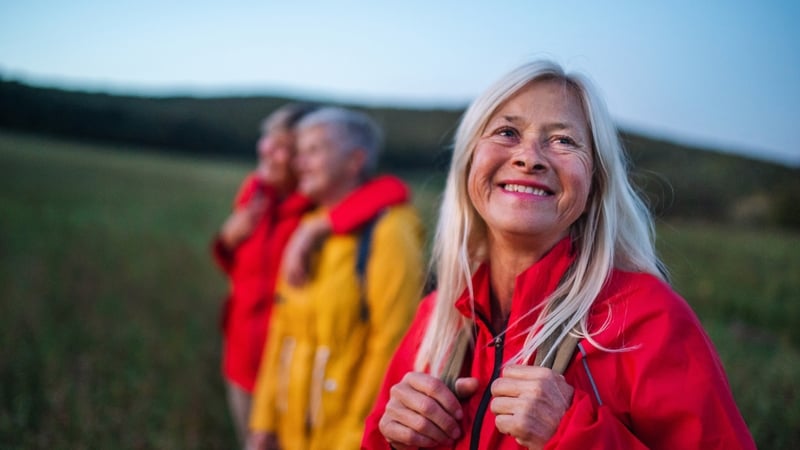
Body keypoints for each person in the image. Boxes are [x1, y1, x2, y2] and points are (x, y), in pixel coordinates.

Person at [362, 60, 756, 449]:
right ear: (469, 164)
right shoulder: (436, 317)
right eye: (507, 132)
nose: (529, 157)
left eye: (564, 141)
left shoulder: (648, 320)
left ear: (594, 186)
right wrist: (392, 439)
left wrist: (574, 435)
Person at [211, 103, 410, 446]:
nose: (268, 152)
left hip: (321, 406)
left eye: (294, 149)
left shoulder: (320, 213)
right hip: (247, 368)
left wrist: (319, 226)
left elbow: (391, 190)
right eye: (267, 141)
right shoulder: (259, 195)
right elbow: (249, 282)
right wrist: (227, 239)